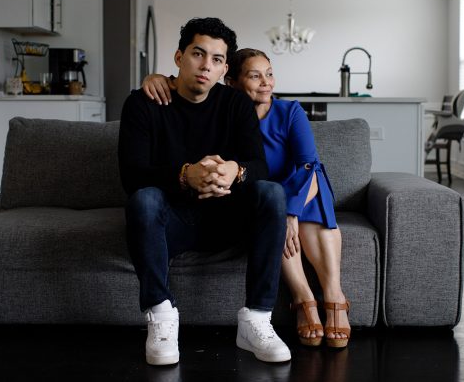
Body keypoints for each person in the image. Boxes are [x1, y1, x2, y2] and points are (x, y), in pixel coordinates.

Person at [142, 48, 351, 349]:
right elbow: (189, 88)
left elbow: (309, 166)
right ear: (232, 82)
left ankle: (334, 295)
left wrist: (291, 211)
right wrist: (155, 78)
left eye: (269, 74)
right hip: (261, 196)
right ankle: (304, 297)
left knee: (297, 208)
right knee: (270, 209)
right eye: (255, 76)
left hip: (299, 188)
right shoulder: (223, 112)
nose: (266, 82)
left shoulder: (289, 111)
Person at [118, 18, 291, 366]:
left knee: (271, 193)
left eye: (216, 60)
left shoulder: (236, 105)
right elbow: (132, 175)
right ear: (179, 56)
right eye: (198, 54)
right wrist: (186, 175)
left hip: (228, 219)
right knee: (144, 199)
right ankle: (161, 316)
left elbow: (259, 164)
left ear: (225, 68)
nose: (205, 66)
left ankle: (256, 319)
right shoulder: (143, 103)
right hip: (173, 224)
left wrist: (234, 171)